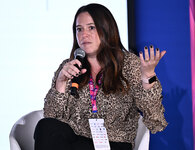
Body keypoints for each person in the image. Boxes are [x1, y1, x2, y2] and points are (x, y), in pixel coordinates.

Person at [34, 3, 168, 150]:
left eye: (91, 27)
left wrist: (148, 78)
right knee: (45, 126)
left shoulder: (129, 64)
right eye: (79, 29)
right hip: (77, 137)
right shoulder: (70, 66)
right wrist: (60, 82)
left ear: (106, 29)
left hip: (115, 142)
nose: (84, 34)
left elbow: (155, 121)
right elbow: (51, 116)